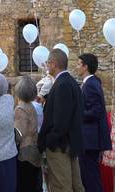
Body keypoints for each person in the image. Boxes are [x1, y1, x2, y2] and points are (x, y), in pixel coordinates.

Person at [37, 49, 84, 192]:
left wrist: (50, 139)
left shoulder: (62, 84)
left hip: (60, 146)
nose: (46, 67)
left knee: (61, 186)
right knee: (75, 186)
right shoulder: (71, 83)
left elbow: (61, 119)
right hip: (70, 142)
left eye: (47, 63)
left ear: (54, 63)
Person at [78, 53, 110, 192]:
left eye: (79, 64)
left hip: (89, 139)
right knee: (88, 177)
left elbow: (96, 111)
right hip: (88, 139)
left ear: (85, 66)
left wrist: (77, 115)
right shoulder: (90, 83)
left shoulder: (91, 84)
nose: (76, 66)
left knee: (91, 178)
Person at [13, 76, 41, 192]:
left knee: (24, 185)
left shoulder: (20, 108)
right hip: (34, 149)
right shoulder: (31, 106)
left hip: (24, 153)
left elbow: (19, 134)